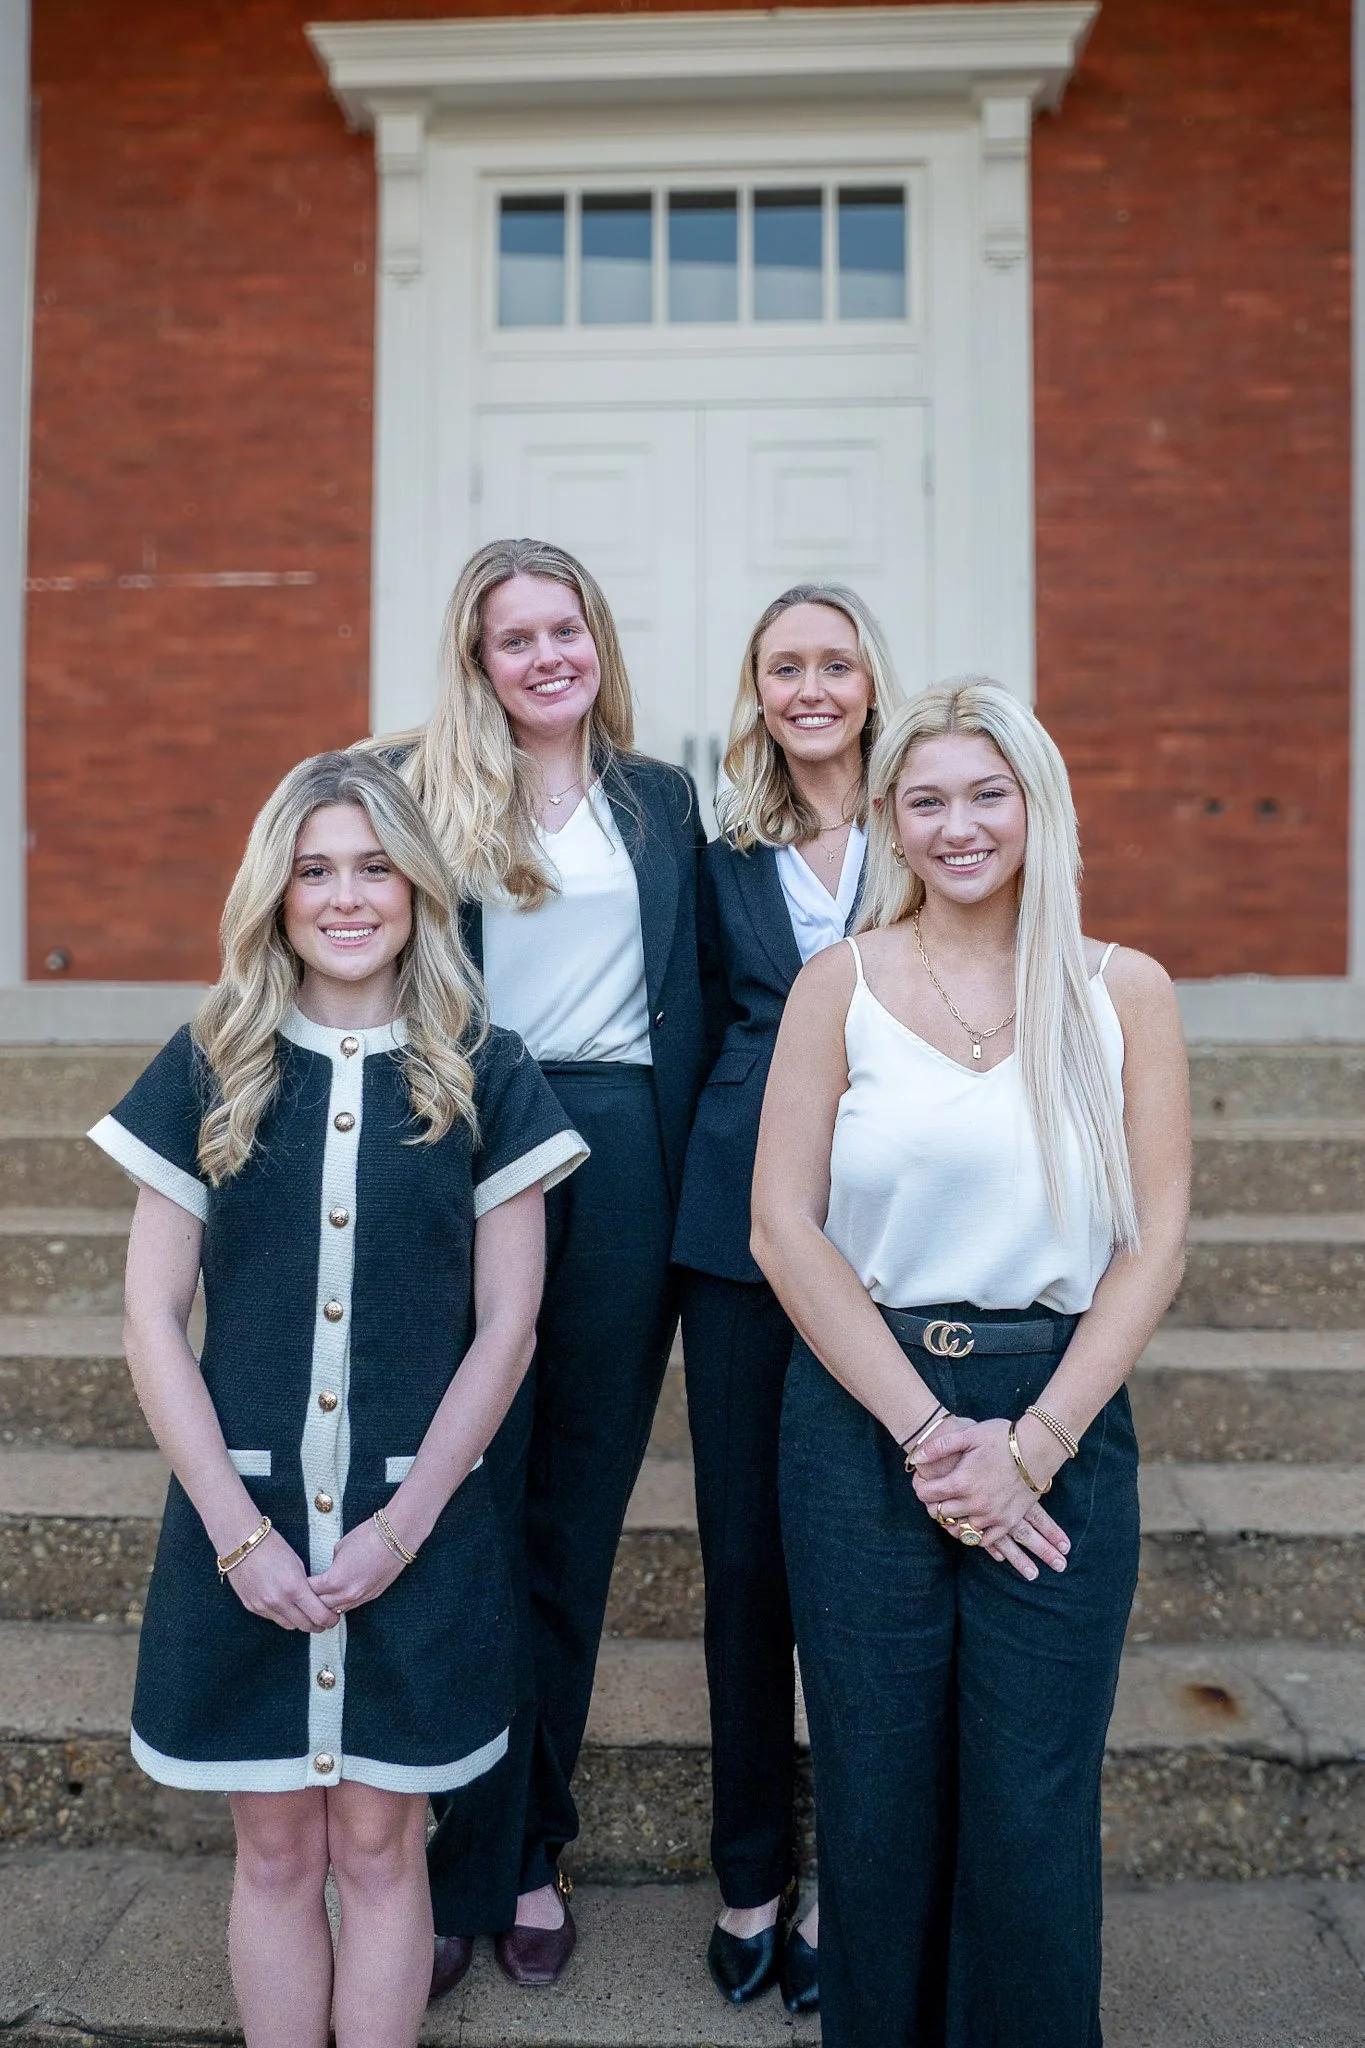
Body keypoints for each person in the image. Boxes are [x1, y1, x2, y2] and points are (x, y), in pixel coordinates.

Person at [87, 751, 586, 2048]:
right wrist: (237, 1535)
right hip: (239, 1533)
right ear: (277, 891)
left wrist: (403, 1530)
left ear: (419, 887)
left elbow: (509, 1325)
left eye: (375, 868)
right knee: (273, 1850)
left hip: (417, 1536)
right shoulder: (211, 1063)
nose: (347, 897)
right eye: (316, 871)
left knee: (378, 1846)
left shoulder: (486, 1069)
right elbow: (150, 1318)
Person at [751, 680, 1190, 2048]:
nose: (959, 826)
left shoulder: (1123, 992)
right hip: (865, 1419)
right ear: (890, 818)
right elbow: (781, 1225)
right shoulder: (840, 986)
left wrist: (1032, 1448)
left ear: (1038, 806)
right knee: (875, 1800)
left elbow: (1156, 1241)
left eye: (988, 795)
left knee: (1030, 1804)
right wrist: (932, 1434)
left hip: (1059, 1416)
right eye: (927, 799)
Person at [380, 538, 707, 1992]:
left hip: (625, 1149)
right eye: (514, 638)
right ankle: (446, 1858)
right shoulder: (416, 790)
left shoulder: (661, 799)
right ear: (478, 660)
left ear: (598, 639)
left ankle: (527, 1855)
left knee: (574, 1519)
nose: (546, 656)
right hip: (474, 1141)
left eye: (564, 629)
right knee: (467, 1507)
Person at [671, 583, 901, 2012]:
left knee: (866, 1572)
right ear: (755, 694)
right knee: (746, 1566)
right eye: (783, 668)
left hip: (898, 1234)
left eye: (835, 663)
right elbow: (700, 1028)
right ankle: (751, 1872)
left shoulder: (934, 824)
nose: (810, 689)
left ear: (873, 681)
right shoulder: (724, 857)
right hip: (738, 1236)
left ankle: (853, 1886)